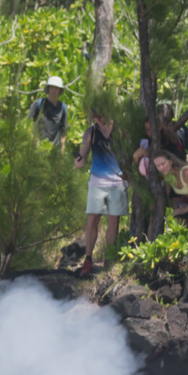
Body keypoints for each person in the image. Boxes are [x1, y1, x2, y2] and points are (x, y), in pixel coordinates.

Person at [73, 108, 126, 278]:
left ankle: (108, 260)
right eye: (95, 115)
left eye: (100, 114)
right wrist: (78, 162)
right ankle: (88, 259)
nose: (98, 118)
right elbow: (83, 155)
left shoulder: (120, 129)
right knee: (92, 219)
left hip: (118, 181)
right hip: (97, 181)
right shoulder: (92, 132)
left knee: (114, 220)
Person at [153, 151, 188, 220]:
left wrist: (184, 210)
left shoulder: (186, 173)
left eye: (163, 164)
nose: (161, 168)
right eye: (158, 166)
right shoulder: (168, 176)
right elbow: (168, 194)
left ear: (171, 161)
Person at [26, 76, 68, 147]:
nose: (53, 90)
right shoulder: (38, 104)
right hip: (37, 147)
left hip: (54, 149)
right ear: (48, 89)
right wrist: (34, 139)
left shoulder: (63, 107)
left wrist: (62, 149)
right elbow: (26, 124)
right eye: (51, 87)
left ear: (60, 90)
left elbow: (63, 130)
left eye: (56, 88)